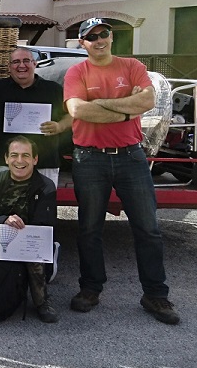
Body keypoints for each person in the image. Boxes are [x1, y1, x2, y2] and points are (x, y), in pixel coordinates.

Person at [63, 17, 179, 324]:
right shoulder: (78, 71)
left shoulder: (133, 67)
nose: (99, 40)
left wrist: (100, 105)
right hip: (90, 159)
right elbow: (77, 110)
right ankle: (90, 289)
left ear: (111, 37)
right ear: (82, 43)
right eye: (91, 37)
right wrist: (125, 111)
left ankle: (156, 295)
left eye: (104, 34)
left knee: (148, 229)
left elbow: (149, 100)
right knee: (89, 229)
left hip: (131, 158)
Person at [0, 136, 59, 323]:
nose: (19, 161)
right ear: (6, 158)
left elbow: (43, 229)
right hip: (1, 236)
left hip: (30, 240)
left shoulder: (46, 187)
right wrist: (2, 221)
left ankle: (42, 300)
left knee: (34, 258)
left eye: (25, 155)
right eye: (14, 155)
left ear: (35, 159)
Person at [0, 47, 72, 187]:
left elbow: (72, 115)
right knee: (5, 207)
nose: (21, 66)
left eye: (26, 61)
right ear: (9, 66)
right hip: (5, 164)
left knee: (43, 207)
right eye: (16, 62)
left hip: (45, 164)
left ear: (35, 63)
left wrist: (59, 126)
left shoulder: (53, 89)